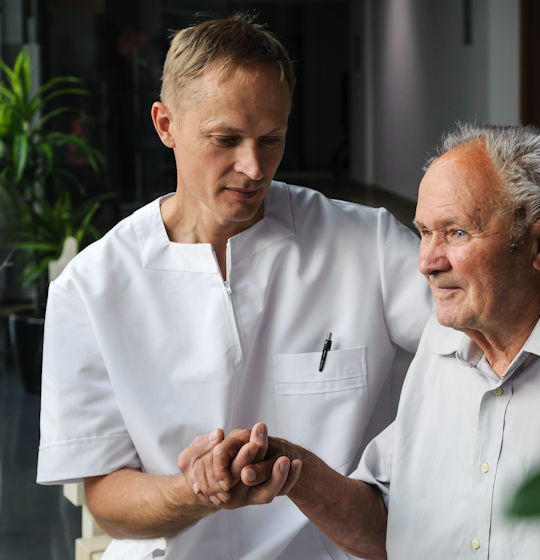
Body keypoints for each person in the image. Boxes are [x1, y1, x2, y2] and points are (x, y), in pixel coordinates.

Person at [200, 123, 540, 559]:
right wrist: (295, 471)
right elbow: (387, 524)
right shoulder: (439, 349)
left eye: (455, 232)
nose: (427, 261)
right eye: (424, 232)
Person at [36, 14, 432, 560]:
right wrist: (195, 490)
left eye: (271, 139)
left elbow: (477, 345)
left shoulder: (367, 244)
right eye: (225, 139)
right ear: (165, 125)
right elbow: (105, 498)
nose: (253, 166)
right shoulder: (91, 287)